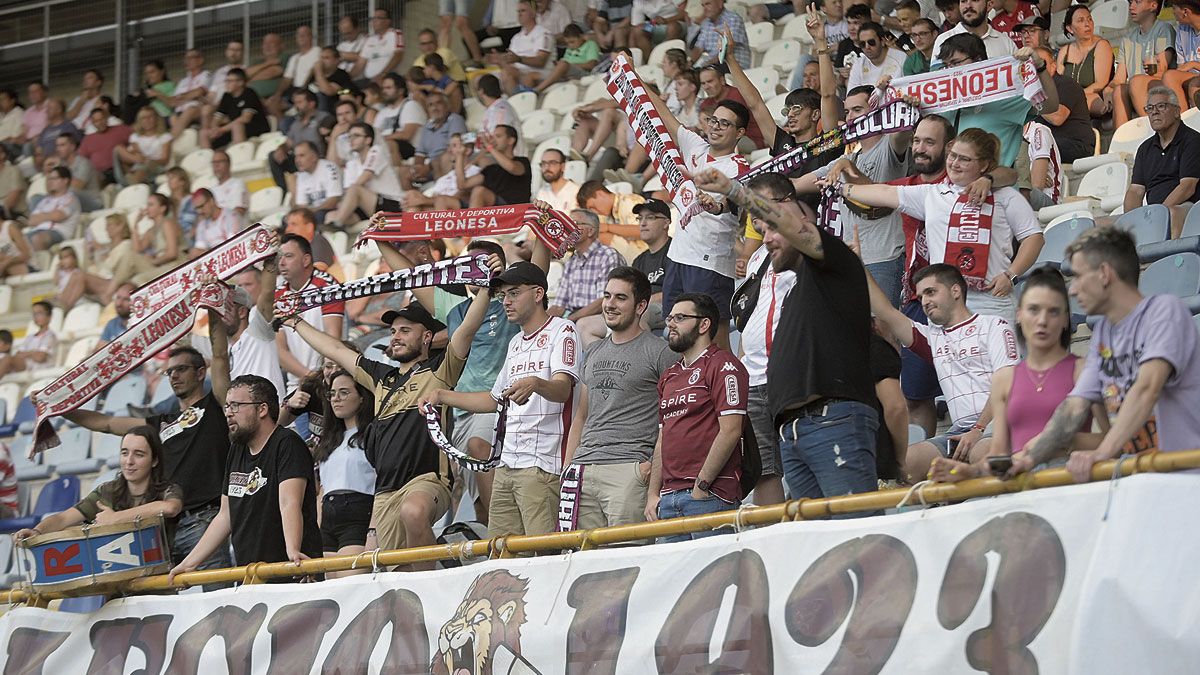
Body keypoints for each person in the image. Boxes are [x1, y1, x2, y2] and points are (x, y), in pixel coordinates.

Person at [287, 255, 500, 568]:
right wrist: (296, 322)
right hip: (385, 492)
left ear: (427, 337)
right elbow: (334, 350)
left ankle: (429, 589)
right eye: (394, 331)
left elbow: (467, 330)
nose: (396, 337)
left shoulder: (439, 369)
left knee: (414, 512)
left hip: (428, 481)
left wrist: (484, 290)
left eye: (404, 330)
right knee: (392, 570)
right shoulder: (381, 378)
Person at [697, 169, 880, 509]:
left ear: (800, 220)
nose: (766, 238)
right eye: (761, 230)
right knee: (815, 543)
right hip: (792, 430)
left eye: (772, 228)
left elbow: (793, 229)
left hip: (833, 419)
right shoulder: (794, 291)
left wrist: (733, 190)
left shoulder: (834, 263)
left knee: (856, 533)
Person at [1013, 227, 1200, 482]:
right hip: (1144, 480)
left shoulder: (1164, 311)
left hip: (1187, 477)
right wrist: (1027, 460)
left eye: (1077, 277)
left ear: (1104, 274)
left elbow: (1147, 388)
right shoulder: (1103, 332)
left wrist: (1103, 452)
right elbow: (1073, 408)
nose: (1072, 290)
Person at [428, 261, 584, 540]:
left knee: (541, 556)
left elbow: (563, 390)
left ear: (538, 294)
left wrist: (536, 384)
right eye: (503, 296)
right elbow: (493, 400)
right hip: (506, 466)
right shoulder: (515, 342)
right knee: (500, 558)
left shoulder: (564, 330)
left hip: (542, 466)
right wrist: (442, 396)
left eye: (514, 293)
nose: (506, 302)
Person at [826, 128, 1044, 323]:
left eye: (964, 159)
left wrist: (1011, 274)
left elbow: (1034, 237)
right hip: (945, 305)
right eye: (952, 156)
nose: (954, 163)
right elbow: (884, 193)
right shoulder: (933, 193)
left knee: (998, 369)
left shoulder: (1005, 195)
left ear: (985, 165)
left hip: (991, 302)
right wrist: (841, 188)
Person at [65, 346, 235, 584]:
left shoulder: (217, 407)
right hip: (163, 527)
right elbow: (106, 423)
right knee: (156, 602)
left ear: (200, 373)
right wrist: (59, 409)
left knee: (218, 598)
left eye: (181, 369)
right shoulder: (161, 423)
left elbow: (219, 356)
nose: (174, 376)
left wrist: (214, 313)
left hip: (205, 520)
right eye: (170, 372)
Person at [930, 268, 1108, 482]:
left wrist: (1065, 440)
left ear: (1064, 320)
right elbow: (998, 455)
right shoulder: (1005, 378)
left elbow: (1111, 439)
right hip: (1019, 486)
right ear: (1019, 315)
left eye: (1053, 312)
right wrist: (970, 471)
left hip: (1066, 480)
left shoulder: (1083, 369)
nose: (1042, 320)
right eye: (1034, 310)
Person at [865, 259, 1020, 482]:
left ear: (955, 290)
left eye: (931, 292)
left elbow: (1007, 385)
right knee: (906, 465)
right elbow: (886, 311)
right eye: (921, 297)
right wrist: (858, 264)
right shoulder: (932, 338)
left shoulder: (994, 325)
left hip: (999, 423)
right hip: (958, 433)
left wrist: (978, 428)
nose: (925, 302)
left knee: (981, 452)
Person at [169, 374, 323, 580]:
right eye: (227, 407)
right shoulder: (237, 450)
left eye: (236, 406)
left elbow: (289, 503)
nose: (228, 414)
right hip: (251, 575)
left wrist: (293, 551)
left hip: (290, 572)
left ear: (262, 409)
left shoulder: (287, 444)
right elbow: (225, 516)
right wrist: (189, 563)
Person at [560, 267, 674, 532]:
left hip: (629, 469)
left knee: (627, 560)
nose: (610, 304)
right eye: (607, 296)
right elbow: (582, 415)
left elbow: (670, 419)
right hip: (583, 469)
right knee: (584, 562)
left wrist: (649, 470)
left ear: (641, 306)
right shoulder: (594, 351)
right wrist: (568, 467)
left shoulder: (661, 352)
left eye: (620, 298)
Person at [644, 83, 750, 349]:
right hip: (677, 257)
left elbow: (730, 201)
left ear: (740, 133)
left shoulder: (739, 166)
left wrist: (715, 207)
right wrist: (634, 75)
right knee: (676, 333)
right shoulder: (696, 146)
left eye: (724, 124)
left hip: (709, 263)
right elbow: (663, 113)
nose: (715, 126)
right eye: (713, 120)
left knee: (713, 337)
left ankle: (726, 387)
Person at [794, 82, 912, 308]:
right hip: (852, 260)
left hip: (884, 259)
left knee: (884, 333)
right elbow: (796, 184)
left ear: (877, 111)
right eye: (847, 112)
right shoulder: (847, 158)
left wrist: (895, 98)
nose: (850, 118)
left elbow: (903, 130)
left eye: (858, 110)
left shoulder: (889, 146)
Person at [647, 292, 749, 539]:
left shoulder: (724, 365)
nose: (670, 323)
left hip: (709, 495)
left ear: (704, 324)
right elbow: (663, 438)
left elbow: (732, 429)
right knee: (673, 578)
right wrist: (653, 494)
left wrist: (702, 485)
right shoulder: (669, 375)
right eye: (670, 317)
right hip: (669, 498)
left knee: (715, 577)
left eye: (680, 318)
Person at [15, 427, 183, 542]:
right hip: (117, 582)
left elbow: (170, 508)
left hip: (159, 583)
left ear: (154, 461)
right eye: (124, 453)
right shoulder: (107, 491)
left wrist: (115, 518)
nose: (129, 461)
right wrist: (37, 531)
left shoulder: (168, 489)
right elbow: (63, 518)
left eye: (138, 454)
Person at [736, 208, 797, 506]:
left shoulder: (801, 248)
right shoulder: (757, 256)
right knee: (765, 470)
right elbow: (748, 316)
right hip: (753, 375)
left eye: (762, 212)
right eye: (753, 217)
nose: (757, 222)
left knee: (801, 459)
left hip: (786, 373)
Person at [939, 36, 1060, 169]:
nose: (950, 70)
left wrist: (1040, 67)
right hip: (952, 186)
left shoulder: (1004, 96)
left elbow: (1050, 105)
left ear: (978, 60)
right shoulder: (944, 102)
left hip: (996, 186)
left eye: (955, 63)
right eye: (946, 66)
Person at [312, 371, 377, 577]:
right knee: (330, 590)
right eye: (332, 394)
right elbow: (322, 490)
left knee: (350, 586)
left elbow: (383, 485)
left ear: (362, 397)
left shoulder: (374, 434)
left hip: (359, 512)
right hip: (328, 516)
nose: (336, 399)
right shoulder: (328, 440)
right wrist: (314, 533)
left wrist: (373, 531)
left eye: (344, 392)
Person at [1126, 86, 1200, 238]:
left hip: (1186, 207)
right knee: (1103, 225)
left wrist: (1160, 214)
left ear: (1177, 111)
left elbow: (1187, 187)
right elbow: (1135, 190)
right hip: (1154, 210)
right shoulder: (1144, 149)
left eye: (1161, 106)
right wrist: (1131, 220)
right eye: (1150, 108)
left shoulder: (1192, 141)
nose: (1154, 112)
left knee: (1172, 215)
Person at [275, 234, 344, 392]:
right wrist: (309, 377)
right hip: (297, 384)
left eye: (289, 256)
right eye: (279, 257)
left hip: (329, 380)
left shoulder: (327, 285)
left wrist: (323, 379)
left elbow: (333, 338)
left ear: (306, 260)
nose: (281, 262)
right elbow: (280, 350)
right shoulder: (278, 295)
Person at [215, 264, 285, 403]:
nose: (220, 315)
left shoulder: (258, 332)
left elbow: (267, 293)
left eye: (226, 309)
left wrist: (270, 257)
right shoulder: (224, 350)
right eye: (218, 311)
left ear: (241, 312)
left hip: (275, 421)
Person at [325, 123, 404, 230]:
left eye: (356, 136)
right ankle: (334, 238)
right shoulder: (353, 162)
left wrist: (344, 205)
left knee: (355, 190)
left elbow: (364, 178)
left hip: (392, 204)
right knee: (330, 216)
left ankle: (337, 225)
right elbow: (349, 191)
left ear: (368, 140)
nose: (351, 140)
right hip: (368, 207)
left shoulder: (376, 150)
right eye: (350, 136)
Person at [552, 209, 626, 324]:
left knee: (582, 324)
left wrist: (569, 320)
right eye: (567, 224)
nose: (568, 228)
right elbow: (558, 306)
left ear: (590, 231)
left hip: (602, 317)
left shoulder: (607, 255)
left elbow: (604, 302)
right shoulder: (571, 261)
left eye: (574, 223)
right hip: (573, 318)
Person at [1110, 0, 1175, 128]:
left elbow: (1162, 70)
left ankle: (1153, 131)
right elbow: (1119, 78)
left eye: (1137, 2)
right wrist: (1108, 90)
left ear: (1153, 6)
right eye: (1130, 2)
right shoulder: (1127, 39)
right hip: (1135, 86)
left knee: (1135, 82)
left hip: (1157, 84)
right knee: (1118, 90)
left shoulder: (1163, 29)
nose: (1131, 7)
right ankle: (1122, 143)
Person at [268, 89, 334, 194]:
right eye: (295, 103)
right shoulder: (296, 122)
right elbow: (288, 143)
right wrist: (282, 148)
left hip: (318, 159)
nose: (296, 106)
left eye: (299, 102)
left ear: (311, 103)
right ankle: (285, 192)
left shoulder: (324, 118)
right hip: (299, 160)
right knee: (273, 156)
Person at [1056, 4, 1114, 118]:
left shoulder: (1102, 45)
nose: (1087, 24)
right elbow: (1059, 83)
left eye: (1089, 19)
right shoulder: (1065, 51)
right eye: (1080, 20)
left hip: (1094, 98)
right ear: (1070, 28)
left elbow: (1101, 83)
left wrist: (1075, 96)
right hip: (1069, 100)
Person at [402, 91, 466, 190]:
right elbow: (420, 154)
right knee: (404, 173)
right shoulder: (427, 126)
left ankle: (441, 197)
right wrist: (418, 168)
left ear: (447, 106)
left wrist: (428, 167)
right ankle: (416, 202)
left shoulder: (455, 119)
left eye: (438, 103)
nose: (434, 108)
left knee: (441, 160)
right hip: (431, 167)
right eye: (430, 105)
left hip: (451, 162)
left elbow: (454, 148)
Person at [456, 125, 531, 208]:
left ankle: (472, 220)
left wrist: (488, 146)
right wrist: (460, 154)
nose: (493, 140)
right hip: (493, 212)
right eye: (492, 136)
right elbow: (462, 185)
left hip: (514, 211)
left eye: (498, 136)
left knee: (479, 191)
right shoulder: (491, 169)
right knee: (442, 200)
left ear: (510, 140)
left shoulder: (522, 161)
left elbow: (512, 167)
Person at [930, 0, 1017, 68]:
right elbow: (937, 80)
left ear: (989, 5)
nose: (968, 6)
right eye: (963, 1)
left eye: (975, 0)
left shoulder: (1006, 42)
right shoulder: (943, 39)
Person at [493, 0, 554, 94]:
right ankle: (517, 102)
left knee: (524, 77)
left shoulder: (543, 33)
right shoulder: (516, 38)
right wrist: (499, 61)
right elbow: (511, 62)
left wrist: (519, 59)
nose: (519, 14)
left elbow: (541, 61)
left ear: (533, 13)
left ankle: (519, 102)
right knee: (503, 73)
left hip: (540, 73)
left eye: (523, 11)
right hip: (520, 73)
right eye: (518, 11)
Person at [202, 68, 270, 149]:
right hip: (232, 128)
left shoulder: (249, 93)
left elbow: (245, 118)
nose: (227, 84)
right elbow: (217, 117)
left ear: (240, 82)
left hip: (256, 127)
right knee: (203, 132)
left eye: (230, 81)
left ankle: (238, 156)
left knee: (237, 126)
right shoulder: (226, 96)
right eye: (226, 81)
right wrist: (214, 128)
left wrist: (222, 130)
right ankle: (208, 158)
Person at [631, 199, 672, 332]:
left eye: (650, 217)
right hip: (642, 306)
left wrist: (639, 304)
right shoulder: (639, 260)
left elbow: (676, 292)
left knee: (639, 315)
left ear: (666, 223)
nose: (643, 223)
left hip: (670, 308)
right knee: (586, 325)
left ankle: (646, 353)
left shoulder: (676, 252)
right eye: (640, 218)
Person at [532, 24, 601, 93]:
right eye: (567, 43)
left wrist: (569, 66)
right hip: (567, 73)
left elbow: (591, 65)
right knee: (532, 75)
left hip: (584, 73)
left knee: (563, 64)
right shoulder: (569, 49)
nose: (570, 46)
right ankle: (528, 94)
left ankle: (536, 90)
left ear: (581, 37)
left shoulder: (590, 44)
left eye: (572, 42)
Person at [374, 74, 426, 164]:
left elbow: (406, 135)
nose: (384, 91)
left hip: (411, 151)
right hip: (386, 148)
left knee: (389, 144)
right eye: (383, 88)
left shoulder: (411, 105)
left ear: (400, 90)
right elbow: (374, 134)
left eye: (388, 88)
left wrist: (382, 138)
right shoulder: (382, 113)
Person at [115, 106, 173, 187]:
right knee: (118, 149)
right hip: (138, 162)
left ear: (156, 118)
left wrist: (147, 159)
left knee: (146, 163)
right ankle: (131, 179)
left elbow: (165, 160)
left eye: (150, 117)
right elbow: (135, 153)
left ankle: (132, 183)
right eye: (143, 118)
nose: (147, 120)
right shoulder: (135, 137)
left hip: (156, 166)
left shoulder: (165, 136)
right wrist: (140, 158)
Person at [25, 165, 80, 250]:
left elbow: (58, 216)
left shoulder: (71, 199)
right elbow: (31, 221)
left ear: (65, 181)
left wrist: (42, 216)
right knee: (12, 243)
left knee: (38, 239)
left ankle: (39, 263)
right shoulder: (45, 201)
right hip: (36, 230)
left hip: (58, 232)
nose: (49, 182)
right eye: (49, 179)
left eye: (54, 179)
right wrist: (49, 215)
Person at [290, 141, 343, 223]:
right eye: (296, 156)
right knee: (288, 220)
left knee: (318, 216)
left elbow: (333, 201)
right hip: (313, 212)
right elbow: (301, 205)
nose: (297, 160)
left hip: (333, 211)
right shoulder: (301, 175)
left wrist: (312, 211)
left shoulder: (330, 168)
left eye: (302, 156)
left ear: (314, 157)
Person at [0, 301, 56, 377]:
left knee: (7, 359)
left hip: (36, 368)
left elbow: (40, 358)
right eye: (34, 314)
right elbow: (18, 355)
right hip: (24, 365)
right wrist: (33, 353)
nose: (36, 317)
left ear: (49, 316)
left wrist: (27, 353)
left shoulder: (50, 336)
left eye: (39, 313)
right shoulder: (30, 337)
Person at [352, 7, 406, 84]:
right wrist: (346, 78)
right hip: (369, 81)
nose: (374, 21)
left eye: (378, 18)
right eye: (372, 18)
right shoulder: (370, 39)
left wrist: (383, 74)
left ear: (388, 21)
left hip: (387, 79)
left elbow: (398, 55)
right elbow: (360, 64)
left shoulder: (395, 34)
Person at [847, 22, 906, 91]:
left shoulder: (901, 58)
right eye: (862, 44)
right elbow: (851, 94)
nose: (867, 47)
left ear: (883, 41)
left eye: (871, 42)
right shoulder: (858, 64)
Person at [691, 0, 751, 68]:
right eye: (703, 5)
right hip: (713, 66)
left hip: (734, 66)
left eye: (708, 4)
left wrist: (706, 66)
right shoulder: (706, 24)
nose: (704, 9)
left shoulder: (733, 19)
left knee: (705, 74)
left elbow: (727, 48)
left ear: (720, 3)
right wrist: (689, 63)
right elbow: (698, 48)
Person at [166, 49, 211, 138]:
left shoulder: (207, 74)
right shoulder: (183, 81)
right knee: (172, 117)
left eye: (191, 58)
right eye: (186, 58)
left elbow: (199, 92)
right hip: (180, 112)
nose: (187, 61)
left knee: (190, 110)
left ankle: (169, 142)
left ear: (200, 60)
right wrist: (190, 96)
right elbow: (173, 101)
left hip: (197, 110)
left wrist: (182, 97)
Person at [188, 187, 244, 258]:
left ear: (212, 201)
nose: (199, 211)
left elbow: (234, 246)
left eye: (201, 206)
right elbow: (198, 250)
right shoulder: (202, 225)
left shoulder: (232, 216)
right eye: (196, 208)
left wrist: (206, 253)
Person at [1166, 0, 1200, 111]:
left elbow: (1187, 66)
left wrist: (1193, 64)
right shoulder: (1182, 29)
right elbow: (1181, 67)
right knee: (1169, 76)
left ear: (1185, 11)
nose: (1173, 12)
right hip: (1190, 76)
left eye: (1174, 8)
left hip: (1195, 78)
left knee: (1195, 83)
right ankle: (1183, 123)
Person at [533, 149, 579, 214]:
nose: (547, 167)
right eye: (543, 163)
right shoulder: (542, 192)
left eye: (552, 163)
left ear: (563, 166)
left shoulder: (575, 191)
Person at [96, 282, 137, 350]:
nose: (119, 304)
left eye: (126, 299)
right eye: (118, 298)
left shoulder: (143, 323)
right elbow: (98, 349)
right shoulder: (112, 324)